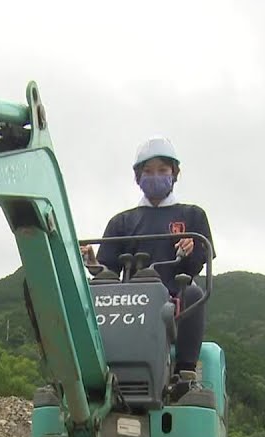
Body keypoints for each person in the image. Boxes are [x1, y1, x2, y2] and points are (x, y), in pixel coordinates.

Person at [89, 136, 213, 387]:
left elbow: (197, 264)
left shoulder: (192, 215)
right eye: (148, 171)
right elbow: (107, 272)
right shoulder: (121, 222)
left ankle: (185, 371)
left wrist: (190, 251)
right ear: (138, 177)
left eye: (162, 170)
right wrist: (93, 265)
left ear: (174, 174)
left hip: (172, 303)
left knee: (193, 292)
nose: (155, 176)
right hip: (129, 304)